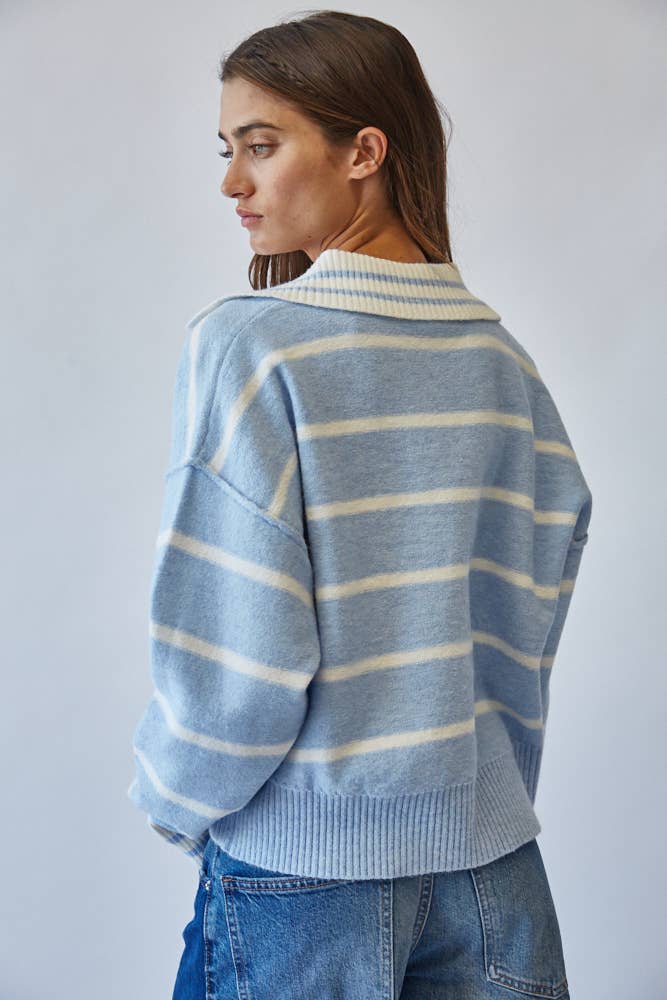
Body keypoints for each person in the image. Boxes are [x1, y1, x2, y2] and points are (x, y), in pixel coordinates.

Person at [127, 11, 591, 999]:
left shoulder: (253, 347)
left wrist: (174, 795)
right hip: (494, 872)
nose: (231, 182)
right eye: (227, 150)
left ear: (362, 152)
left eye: (261, 145)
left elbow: (241, 660)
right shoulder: (501, 363)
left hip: (308, 875)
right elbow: (527, 623)